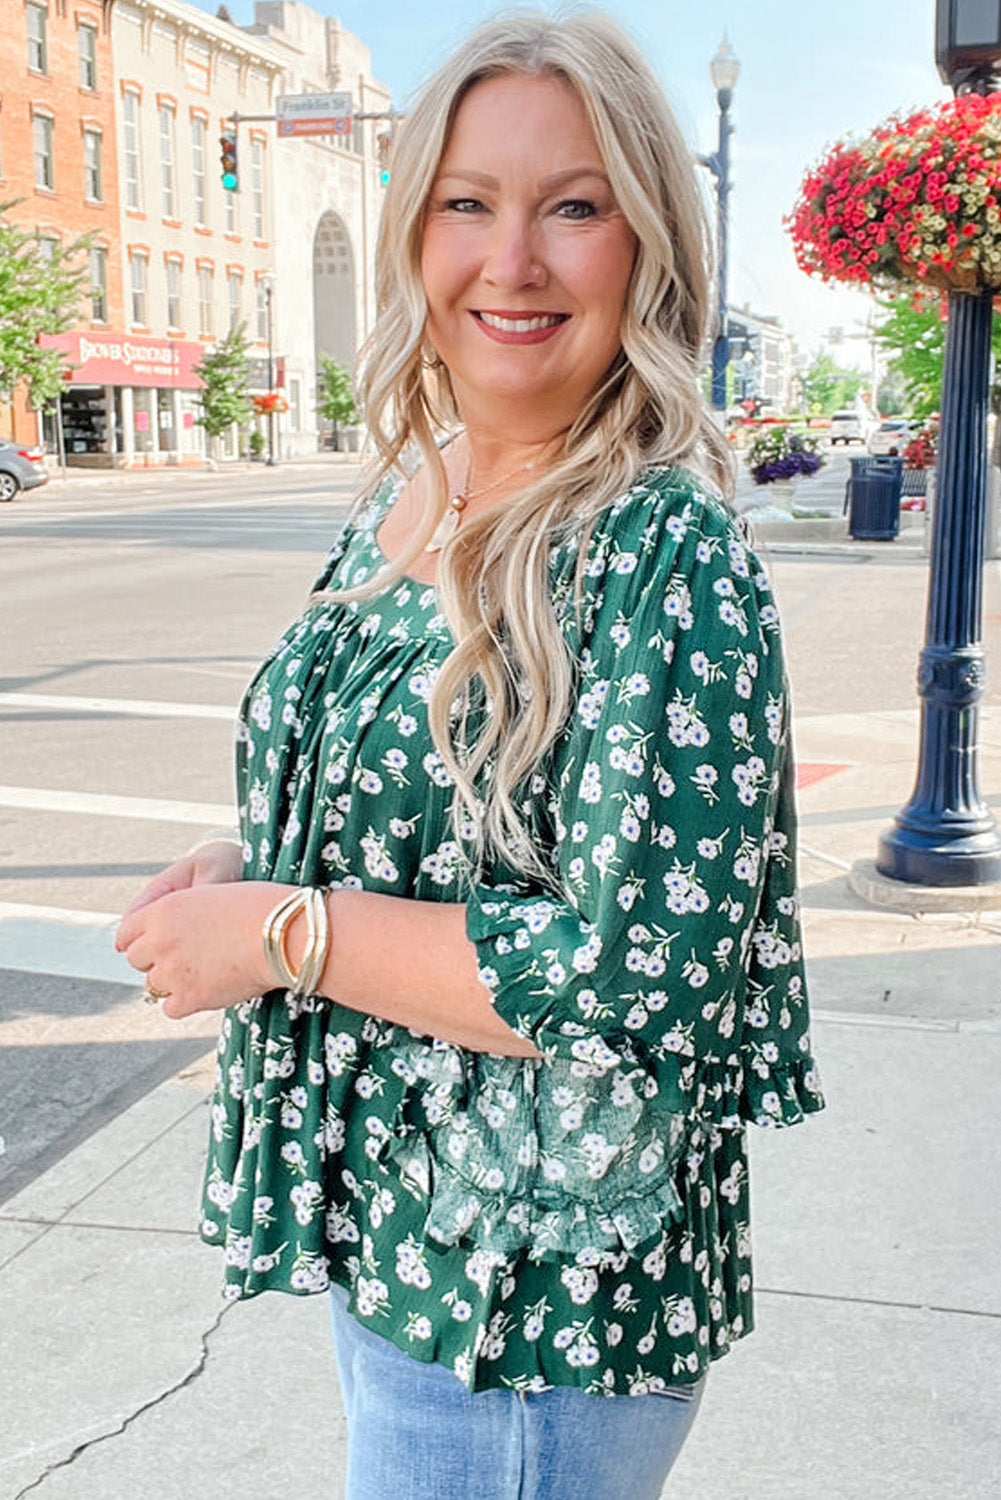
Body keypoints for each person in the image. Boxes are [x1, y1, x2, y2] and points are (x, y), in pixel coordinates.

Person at [116, 11, 824, 1498]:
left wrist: (281, 933)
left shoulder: (657, 547)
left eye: (573, 206)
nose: (512, 260)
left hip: (533, 1303)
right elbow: (463, 823)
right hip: (401, 1234)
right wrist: (263, 859)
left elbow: (633, 970)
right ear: (411, 231)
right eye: (467, 203)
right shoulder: (409, 487)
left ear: (647, 247)